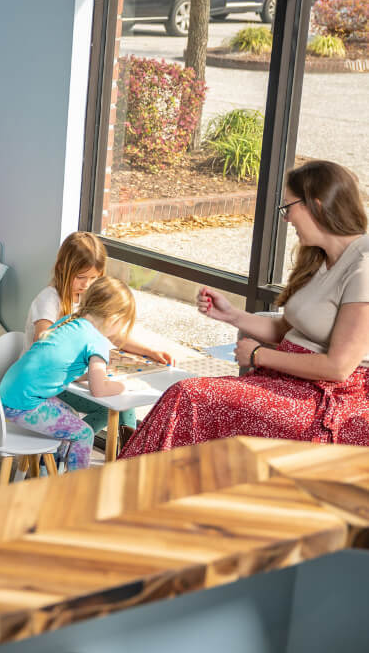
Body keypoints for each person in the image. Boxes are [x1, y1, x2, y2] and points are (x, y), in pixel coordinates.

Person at [121, 159, 369, 458]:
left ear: (315, 205)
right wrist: (231, 315)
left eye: (288, 207)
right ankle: (146, 470)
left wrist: (258, 355)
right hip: (288, 383)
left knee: (187, 396)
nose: (286, 218)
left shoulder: (363, 266)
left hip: (324, 399)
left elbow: (338, 368)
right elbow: (287, 329)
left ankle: (138, 474)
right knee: (185, 400)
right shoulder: (320, 258)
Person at [25, 231, 175, 438]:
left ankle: (126, 452)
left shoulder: (86, 297)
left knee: (125, 402)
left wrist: (149, 352)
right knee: (107, 407)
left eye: (94, 278)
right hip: (47, 383)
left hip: (71, 379)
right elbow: (42, 345)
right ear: (61, 268)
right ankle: (67, 443)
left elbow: (114, 335)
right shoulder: (49, 300)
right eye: (81, 277)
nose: (86, 284)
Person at [0, 276, 138, 470]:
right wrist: (124, 386)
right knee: (84, 434)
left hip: (6, 395)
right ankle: (75, 483)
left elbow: (63, 367)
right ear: (114, 319)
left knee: (71, 415)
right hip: (23, 405)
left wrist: (90, 376)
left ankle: (52, 467)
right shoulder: (97, 341)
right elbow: (99, 390)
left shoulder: (68, 321)